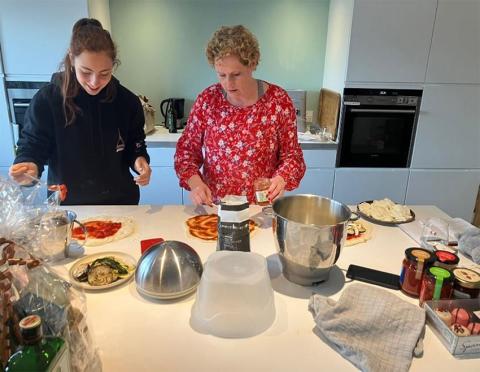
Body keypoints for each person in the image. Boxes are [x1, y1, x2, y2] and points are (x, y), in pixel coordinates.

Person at [9, 18, 151, 205]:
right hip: (69, 205)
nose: (94, 82)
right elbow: (33, 145)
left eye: (104, 73)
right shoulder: (48, 100)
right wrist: (29, 163)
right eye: (86, 71)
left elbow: (135, 144)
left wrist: (140, 161)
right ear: (71, 58)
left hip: (120, 203)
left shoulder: (127, 102)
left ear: (113, 66)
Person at [174, 25, 305, 205]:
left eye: (236, 74)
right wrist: (196, 184)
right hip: (215, 208)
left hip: (260, 209)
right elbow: (186, 153)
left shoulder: (277, 101)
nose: (228, 84)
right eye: (222, 75)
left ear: (252, 64)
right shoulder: (208, 100)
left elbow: (292, 156)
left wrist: (281, 179)